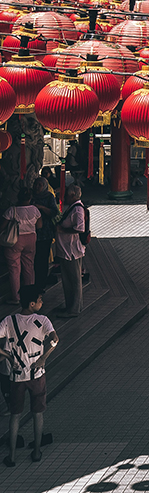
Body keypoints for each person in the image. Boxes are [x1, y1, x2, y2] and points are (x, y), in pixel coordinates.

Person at [0, 284, 57, 465]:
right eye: (39, 300)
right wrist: (43, 358)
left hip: (17, 376)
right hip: (37, 374)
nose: (42, 303)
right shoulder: (42, 321)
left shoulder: (8, 321)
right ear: (32, 303)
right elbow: (55, 340)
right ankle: (37, 451)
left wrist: (8, 355)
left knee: (15, 415)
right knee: (37, 413)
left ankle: (12, 456)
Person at [2, 188, 41, 306]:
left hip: (15, 241)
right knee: (29, 267)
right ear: (30, 198)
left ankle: (16, 297)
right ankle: (30, 295)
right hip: (31, 239)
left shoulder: (11, 211)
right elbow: (39, 225)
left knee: (14, 269)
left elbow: (2, 226)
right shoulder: (35, 210)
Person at [53, 186, 86, 319]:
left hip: (71, 250)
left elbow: (80, 228)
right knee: (67, 280)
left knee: (74, 280)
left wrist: (63, 230)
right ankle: (71, 305)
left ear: (73, 195)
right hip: (65, 249)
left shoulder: (78, 209)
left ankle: (74, 308)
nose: (65, 197)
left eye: (67, 195)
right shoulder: (73, 207)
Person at [31, 176, 59, 291]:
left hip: (45, 233)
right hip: (32, 232)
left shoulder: (48, 197)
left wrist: (41, 208)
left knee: (42, 259)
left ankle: (41, 284)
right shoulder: (31, 196)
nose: (37, 187)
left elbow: (54, 212)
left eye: (40, 185)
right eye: (36, 184)